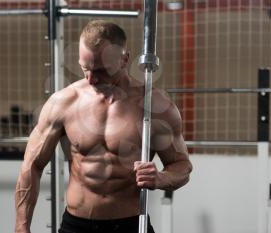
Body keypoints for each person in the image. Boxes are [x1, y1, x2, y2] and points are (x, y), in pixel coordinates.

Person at [15, 20, 192, 233]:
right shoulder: (63, 103)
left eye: (101, 71)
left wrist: (161, 178)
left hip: (130, 225)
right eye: (85, 68)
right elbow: (32, 165)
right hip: (76, 226)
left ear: (124, 59)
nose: (91, 79)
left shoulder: (155, 107)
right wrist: (21, 226)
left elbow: (182, 166)